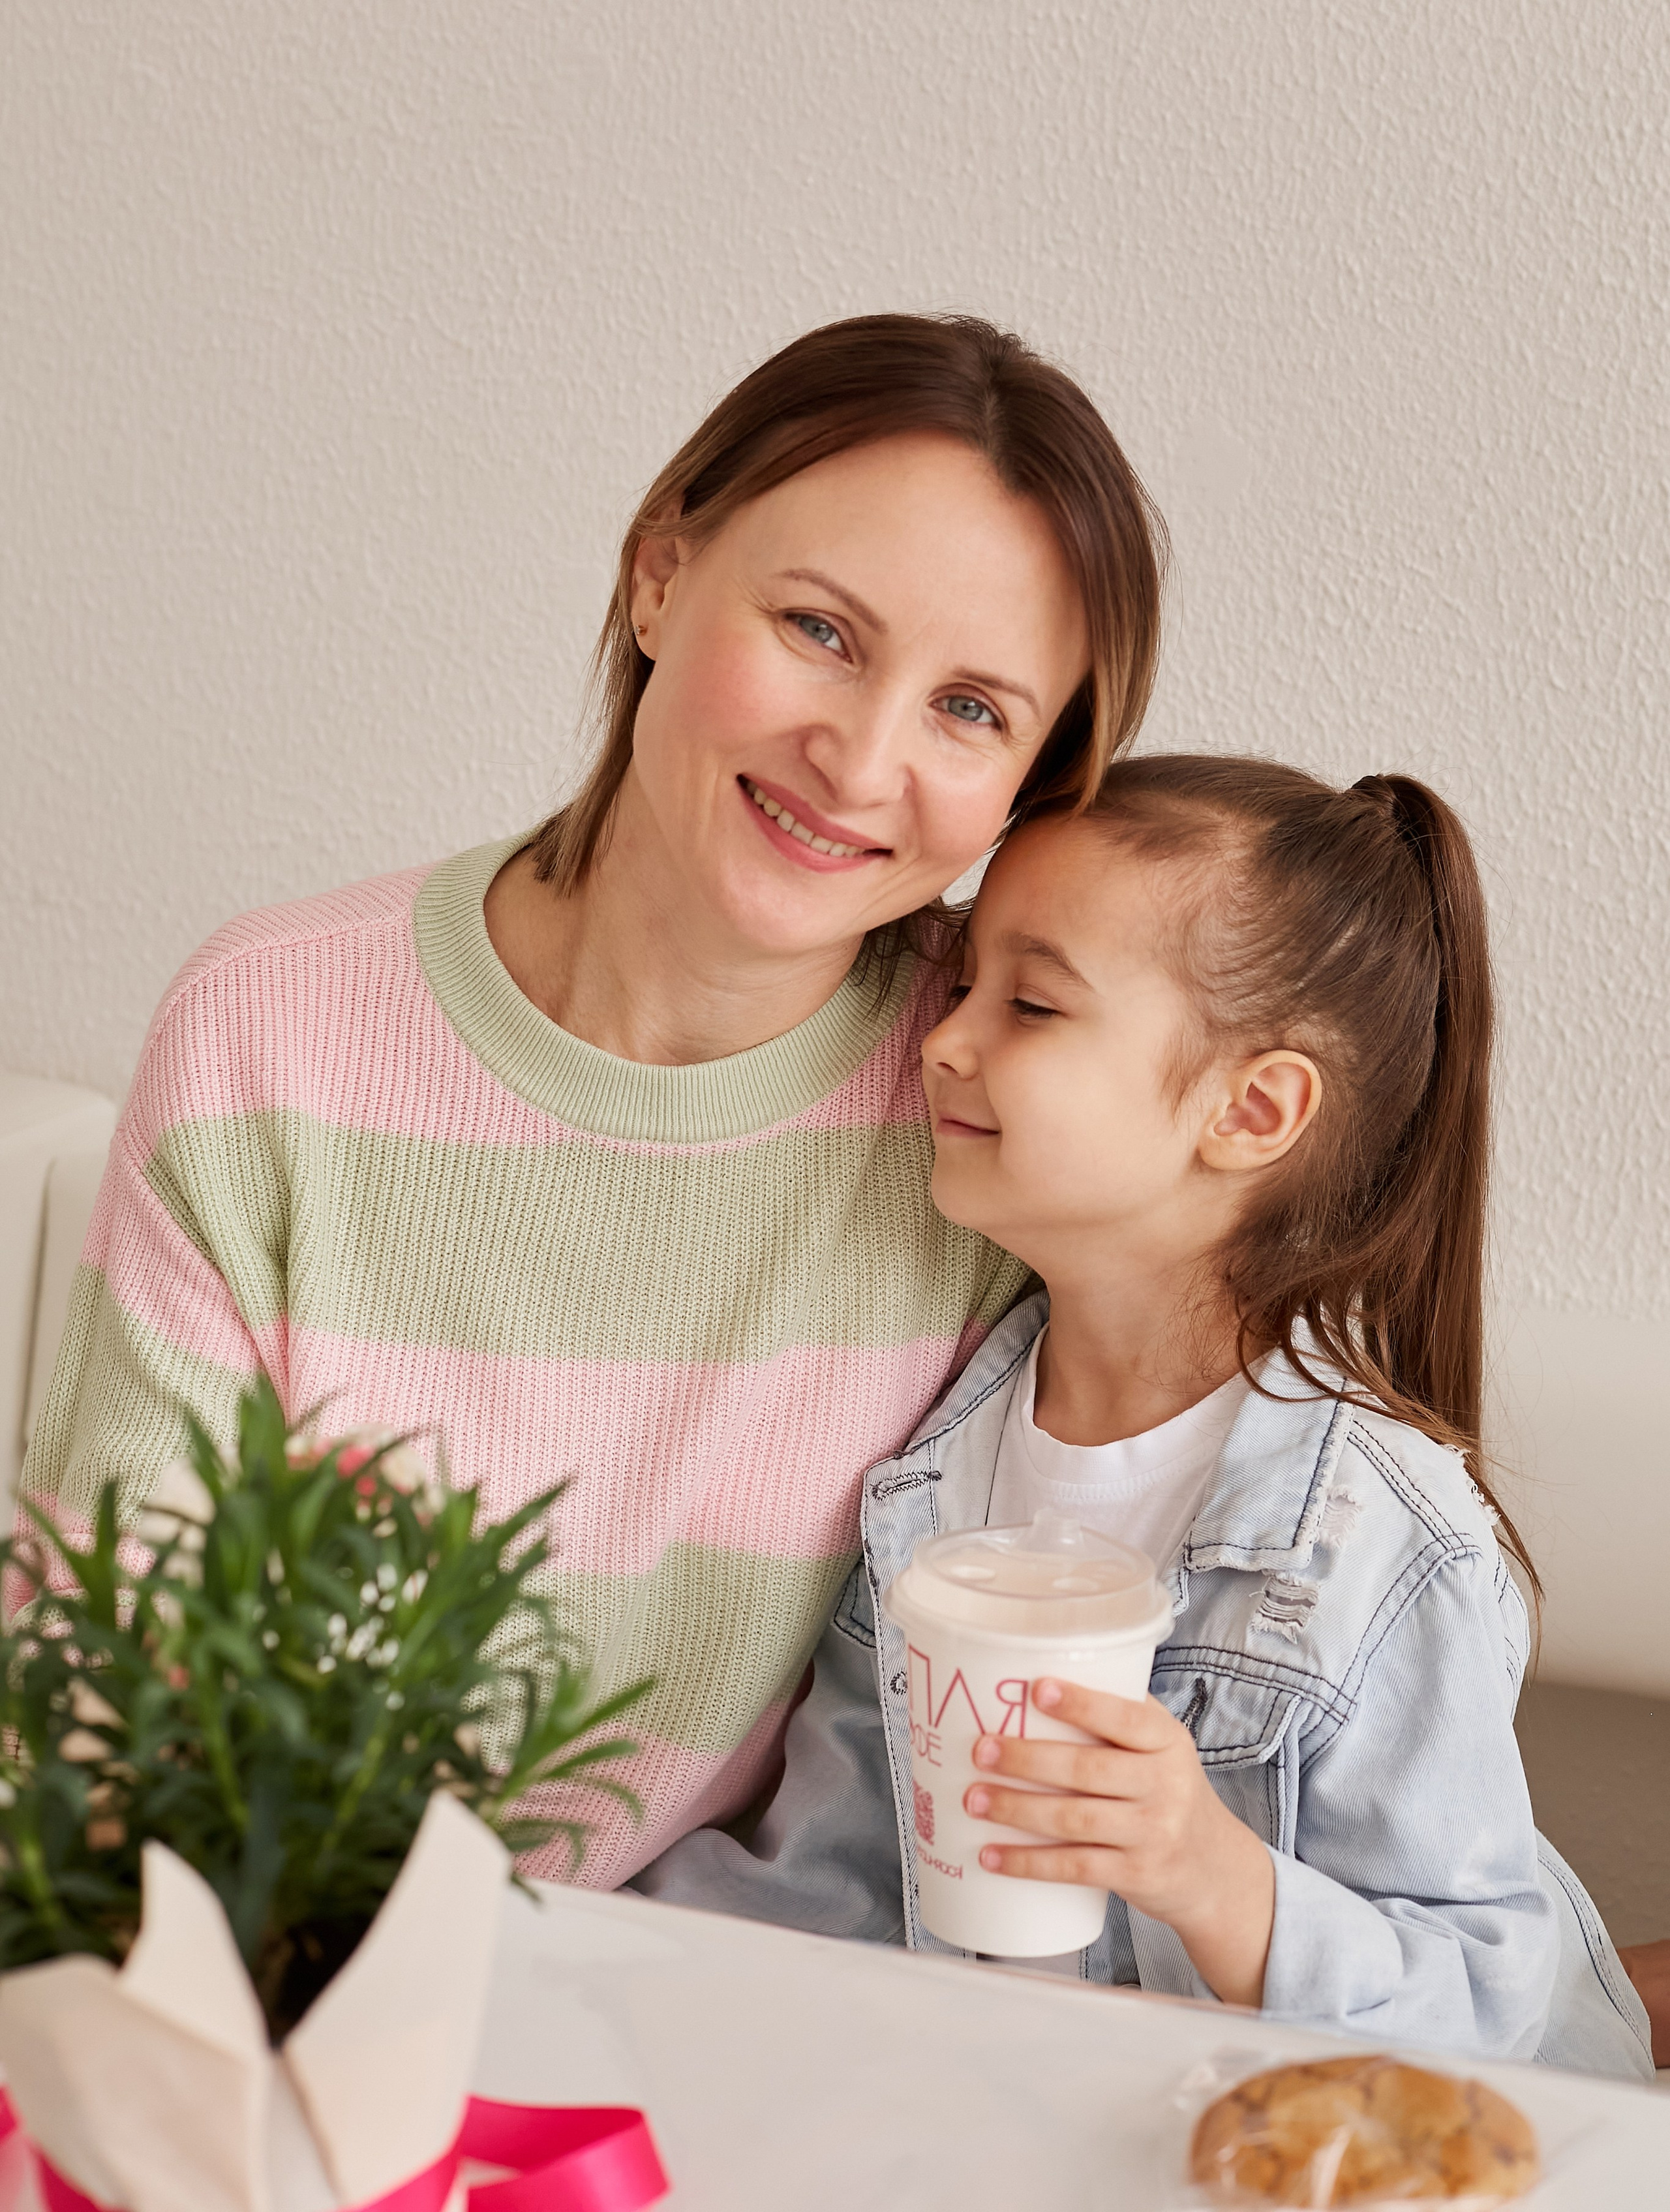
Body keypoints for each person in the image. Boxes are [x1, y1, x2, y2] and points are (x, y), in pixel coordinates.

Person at [17, 314, 1166, 1890]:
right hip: (271, 1979)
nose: (858, 756)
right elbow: (104, 1707)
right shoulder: (269, 1032)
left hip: (755, 2011)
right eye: (821, 629)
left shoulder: (984, 1102)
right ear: (657, 575)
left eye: (971, 709)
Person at [639, 755, 1654, 2078]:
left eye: (1032, 1003)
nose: (944, 1038)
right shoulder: (922, 1480)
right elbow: (818, 1886)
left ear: (1249, 1110)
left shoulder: (1378, 1545)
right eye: (960, 987)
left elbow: (1481, 2006)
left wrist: (1206, 1872)